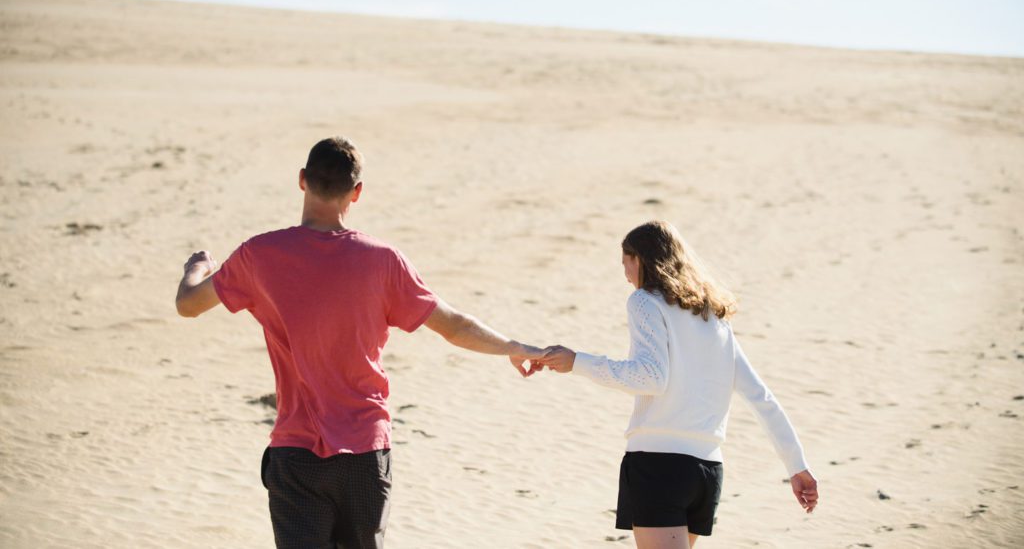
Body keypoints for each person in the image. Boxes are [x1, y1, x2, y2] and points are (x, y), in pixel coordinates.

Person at [174, 136, 545, 549]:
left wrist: (198, 268)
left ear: (302, 181)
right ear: (357, 192)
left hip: (295, 453)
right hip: (365, 451)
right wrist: (514, 347)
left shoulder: (259, 255)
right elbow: (455, 325)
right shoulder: (382, 259)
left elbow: (188, 306)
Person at [539, 220, 818, 548]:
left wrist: (577, 362)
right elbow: (761, 397)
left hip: (659, 467)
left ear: (639, 259)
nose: (625, 274)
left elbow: (649, 377)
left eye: (625, 264)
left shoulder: (645, 301)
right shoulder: (713, 318)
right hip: (708, 471)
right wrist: (796, 466)